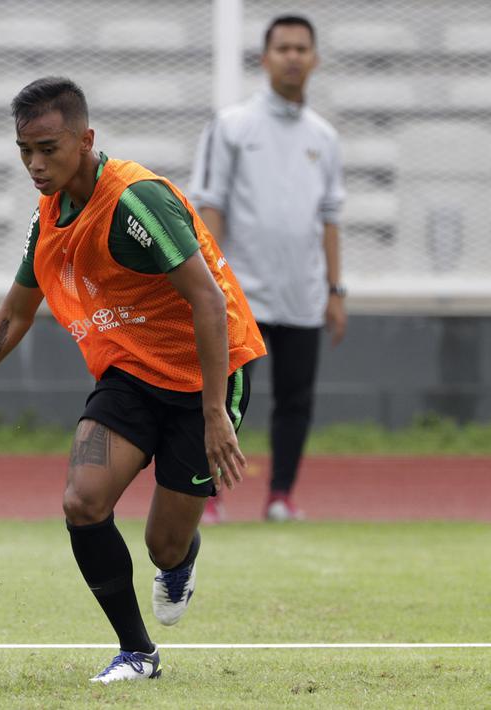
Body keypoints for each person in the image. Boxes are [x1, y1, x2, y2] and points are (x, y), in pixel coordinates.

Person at [0, 77, 265, 683]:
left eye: (48, 149)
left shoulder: (137, 201)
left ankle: (179, 561)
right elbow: (15, 311)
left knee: (164, 545)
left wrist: (215, 412)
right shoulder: (49, 213)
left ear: (86, 140)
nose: (35, 165)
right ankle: (137, 653)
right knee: (82, 503)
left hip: (207, 375)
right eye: (24, 151)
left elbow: (210, 303)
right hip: (130, 374)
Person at [189, 15, 346, 523]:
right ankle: (207, 495)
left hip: (302, 294)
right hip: (240, 294)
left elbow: (330, 217)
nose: (293, 57)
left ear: (315, 59)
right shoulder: (232, 125)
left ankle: (280, 497)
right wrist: (211, 285)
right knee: (225, 398)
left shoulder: (324, 137)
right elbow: (210, 205)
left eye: (302, 48)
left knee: (296, 399)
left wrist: (335, 290)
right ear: (265, 58)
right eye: (283, 48)